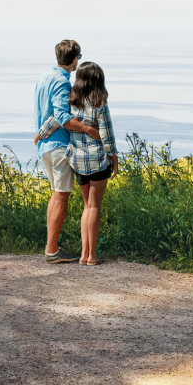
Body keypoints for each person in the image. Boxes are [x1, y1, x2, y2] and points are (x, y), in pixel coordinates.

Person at [35, 62, 118, 265]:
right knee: (94, 206)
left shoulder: (72, 101)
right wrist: (114, 159)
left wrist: (40, 135)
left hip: (77, 161)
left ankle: (83, 255)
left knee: (85, 207)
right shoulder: (100, 102)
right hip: (97, 160)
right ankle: (92, 256)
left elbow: (57, 119)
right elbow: (107, 135)